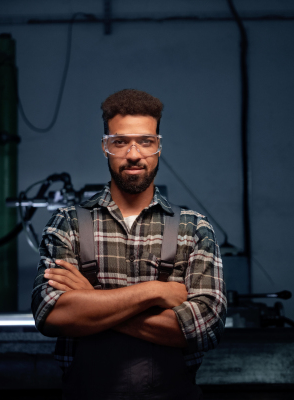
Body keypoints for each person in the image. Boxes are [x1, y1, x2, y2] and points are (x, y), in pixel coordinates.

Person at [31, 89, 226, 399]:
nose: (134, 154)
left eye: (146, 142)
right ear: (106, 147)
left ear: (158, 148)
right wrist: (157, 292)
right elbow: (50, 315)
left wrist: (89, 300)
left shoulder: (194, 228)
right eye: (120, 142)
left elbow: (205, 328)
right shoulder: (67, 223)